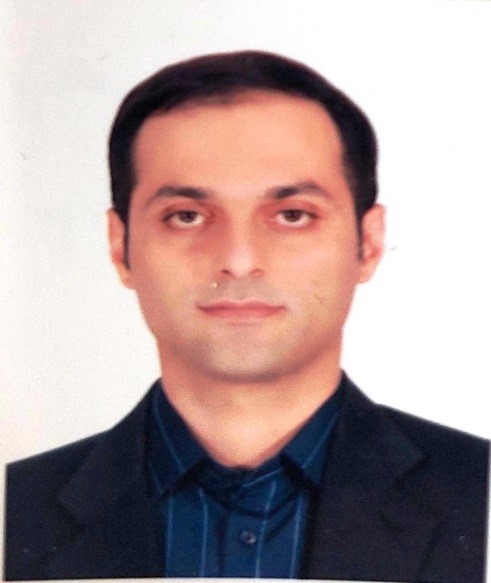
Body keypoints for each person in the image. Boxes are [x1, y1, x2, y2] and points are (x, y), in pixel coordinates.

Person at [5, 50, 489, 582]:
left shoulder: (478, 491)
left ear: (368, 244)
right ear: (122, 248)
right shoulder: (15, 506)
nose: (238, 261)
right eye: (186, 216)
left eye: (292, 215)